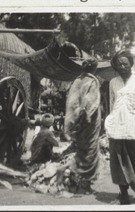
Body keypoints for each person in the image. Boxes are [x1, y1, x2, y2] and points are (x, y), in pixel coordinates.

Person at [104, 50, 135, 204]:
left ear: (131, 63)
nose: (122, 66)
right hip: (117, 126)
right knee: (117, 160)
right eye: (119, 64)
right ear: (116, 66)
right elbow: (111, 104)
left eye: (125, 63)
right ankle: (123, 192)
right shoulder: (113, 83)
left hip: (134, 126)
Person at [56, 58, 101, 189]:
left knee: (82, 150)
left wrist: (73, 122)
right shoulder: (93, 81)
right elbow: (90, 101)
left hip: (77, 122)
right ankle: (79, 177)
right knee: (90, 152)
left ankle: (82, 180)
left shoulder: (77, 80)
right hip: (89, 122)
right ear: (94, 68)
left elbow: (71, 102)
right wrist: (86, 116)